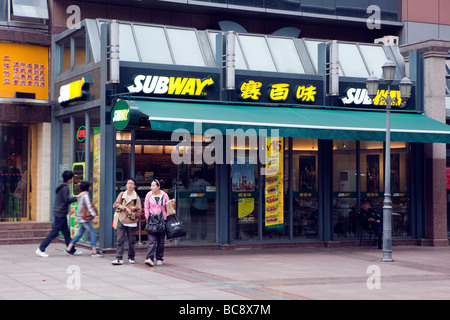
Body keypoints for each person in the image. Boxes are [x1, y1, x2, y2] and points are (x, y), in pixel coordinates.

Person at [36, 171, 81, 257]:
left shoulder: (61, 187)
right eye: (71, 178)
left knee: (66, 233)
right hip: (60, 213)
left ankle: (71, 249)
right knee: (54, 232)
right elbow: (66, 200)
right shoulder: (65, 188)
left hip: (59, 213)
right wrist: (76, 198)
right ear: (69, 179)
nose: (72, 180)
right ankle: (41, 248)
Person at [66, 181, 103, 257]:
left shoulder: (81, 195)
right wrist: (95, 216)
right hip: (85, 218)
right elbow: (89, 206)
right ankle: (94, 251)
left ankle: (69, 248)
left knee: (79, 234)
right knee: (93, 233)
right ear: (88, 187)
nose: (91, 187)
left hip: (81, 217)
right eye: (90, 186)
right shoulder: (85, 196)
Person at [111, 178, 142, 265]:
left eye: (132, 183)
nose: (130, 185)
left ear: (134, 186)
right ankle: (119, 258)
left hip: (131, 222)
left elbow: (139, 212)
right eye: (128, 183)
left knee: (131, 241)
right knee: (120, 239)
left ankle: (131, 257)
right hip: (121, 220)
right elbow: (115, 204)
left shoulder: (136, 198)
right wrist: (121, 207)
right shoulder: (121, 195)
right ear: (126, 185)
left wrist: (131, 212)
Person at [144, 179, 170, 266]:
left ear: (158, 187)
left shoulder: (164, 195)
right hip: (152, 220)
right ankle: (149, 258)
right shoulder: (148, 195)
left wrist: (171, 205)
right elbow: (146, 207)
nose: (152, 187)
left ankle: (159, 258)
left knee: (161, 241)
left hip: (162, 220)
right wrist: (147, 218)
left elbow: (168, 206)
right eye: (151, 185)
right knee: (152, 241)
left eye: (154, 185)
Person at [190, 171, 210, 240]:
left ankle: (194, 235)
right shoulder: (208, 184)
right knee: (203, 221)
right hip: (205, 205)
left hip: (196, 204)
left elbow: (192, 194)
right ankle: (203, 235)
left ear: (196, 177)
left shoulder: (196, 184)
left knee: (195, 221)